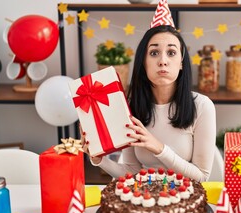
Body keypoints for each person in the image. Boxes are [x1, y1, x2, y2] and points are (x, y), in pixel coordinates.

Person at [86, 5, 216, 183]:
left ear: (181, 63)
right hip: (144, 200)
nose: (163, 61)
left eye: (171, 52)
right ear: (144, 62)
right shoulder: (130, 105)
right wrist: (99, 160)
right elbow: (132, 172)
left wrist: (160, 149)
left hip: (186, 200)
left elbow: (202, 176)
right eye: (154, 53)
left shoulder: (202, 106)